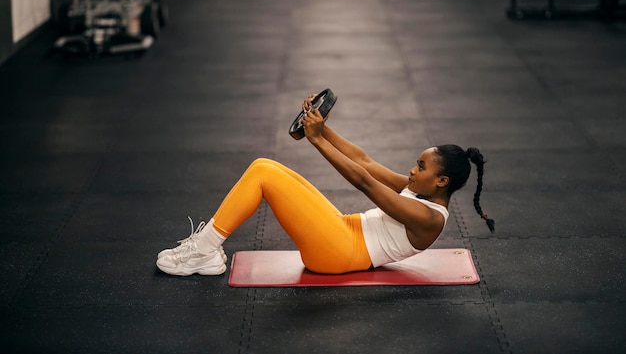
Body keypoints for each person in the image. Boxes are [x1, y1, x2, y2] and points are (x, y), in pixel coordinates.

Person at [156, 94, 493, 276]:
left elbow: (363, 182)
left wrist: (316, 141)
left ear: (442, 181)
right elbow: (364, 162)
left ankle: (203, 252)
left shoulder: (430, 218)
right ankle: (206, 248)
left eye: (420, 166)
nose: (411, 170)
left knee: (265, 176)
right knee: (263, 165)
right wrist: (320, 127)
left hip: (340, 253)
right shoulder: (419, 191)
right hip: (343, 231)